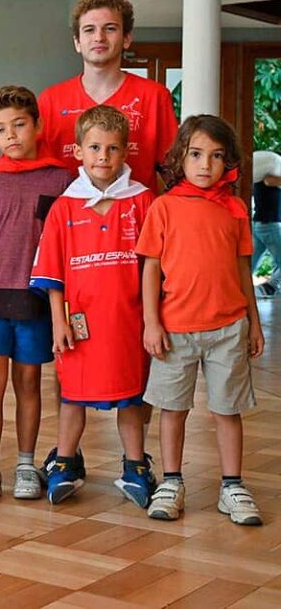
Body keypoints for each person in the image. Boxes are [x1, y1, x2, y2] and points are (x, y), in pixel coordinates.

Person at [139, 115, 265, 526]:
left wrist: (255, 323)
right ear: (180, 158)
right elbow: (151, 269)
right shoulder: (163, 208)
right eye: (195, 154)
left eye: (215, 156)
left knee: (228, 410)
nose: (205, 164)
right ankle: (172, 481)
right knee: (172, 409)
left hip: (228, 330)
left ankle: (232, 485)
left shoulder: (233, 210)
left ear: (228, 162)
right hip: (175, 329)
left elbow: (243, 269)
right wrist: (151, 322)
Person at [30, 105, 157, 507]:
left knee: (131, 397)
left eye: (113, 148)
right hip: (79, 325)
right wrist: (58, 323)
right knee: (73, 396)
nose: (103, 156)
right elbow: (52, 275)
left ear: (125, 152)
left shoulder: (143, 202)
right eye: (95, 147)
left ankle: (136, 466)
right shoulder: (65, 207)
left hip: (129, 324)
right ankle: (65, 462)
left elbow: (155, 268)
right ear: (78, 151)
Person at [0, 86, 74, 506]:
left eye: (19, 125)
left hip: (36, 300)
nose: (11, 135)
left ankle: (26, 463)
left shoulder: (62, 180)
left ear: (38, 125)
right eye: (0, 129)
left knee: (29, 382)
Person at [37, 0, 177, 190]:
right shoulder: (50, 101)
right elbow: (34, 173)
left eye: (110, 28)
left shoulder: (154, 97)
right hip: (66, 218)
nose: (99, 37)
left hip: (138, 218)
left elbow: (175, 173)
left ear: (127, 38)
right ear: (77, 42)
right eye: (89, 30)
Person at [251, 150, 281, 297]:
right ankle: (270, 287)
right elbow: (270, 180)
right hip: (268, 225)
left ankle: (237, 287)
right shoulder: (267, 178)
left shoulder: (259, 179)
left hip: (260, 225)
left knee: (251, 261)